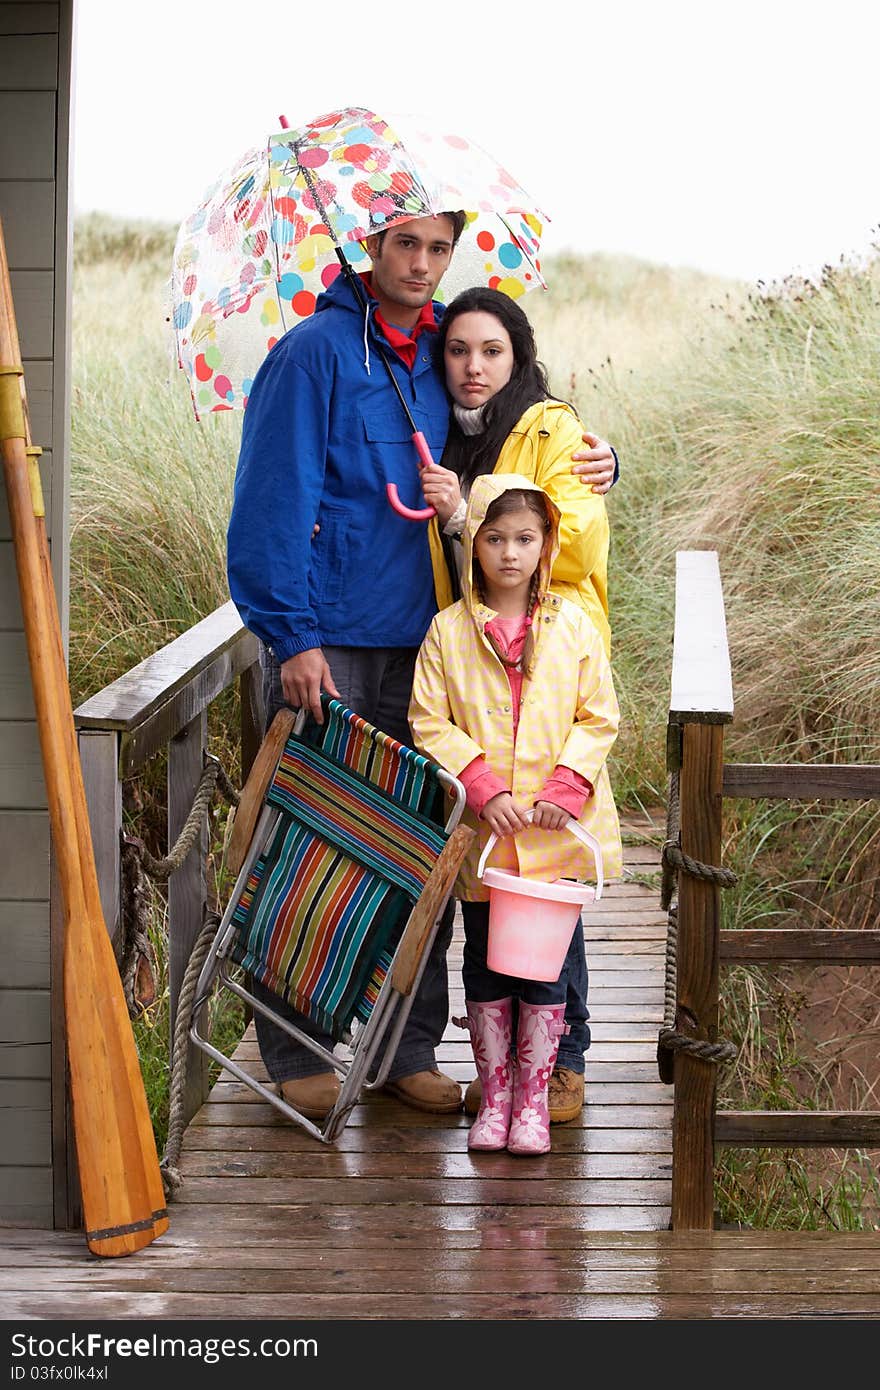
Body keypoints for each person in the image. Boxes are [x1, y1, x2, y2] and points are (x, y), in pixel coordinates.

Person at [227, 212, 617, 1121]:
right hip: (332, 648)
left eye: (439, 249)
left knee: (434, 855)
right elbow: (271, 502)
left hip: (434, 650)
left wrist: (602, 461)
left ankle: (406, 1045)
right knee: (320, 845)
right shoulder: (315, 353)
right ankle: (297, 1047)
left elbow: (513, 463)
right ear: (371, 247)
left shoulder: (437, 356)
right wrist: (291, 635)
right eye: (407, 245)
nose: (423, 264)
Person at [417, 286, 614, 1123]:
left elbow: (575, 526)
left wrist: (468, 516)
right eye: (458, 350)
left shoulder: (550, 427)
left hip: (551, 664)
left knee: (550, 890)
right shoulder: (441, 426)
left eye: (491, 351)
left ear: (518, 355)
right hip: (470, 667)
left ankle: (561, 1064)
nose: (473, 367)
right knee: (496, 895)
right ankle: (503, 1082)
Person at [408, 474, 622, 1154]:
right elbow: (428, 720)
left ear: (547, 544)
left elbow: (599, 717)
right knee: (485, 963)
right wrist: (480, 784)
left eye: (525, 539)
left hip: (557, 836)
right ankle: (493, 1096)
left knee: (545, 967)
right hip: (487, 837)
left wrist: (566, 788)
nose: (509, 553)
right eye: (494, 539)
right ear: (473, 546)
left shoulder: (575, 628)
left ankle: (534, 1097)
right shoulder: (446, 633)